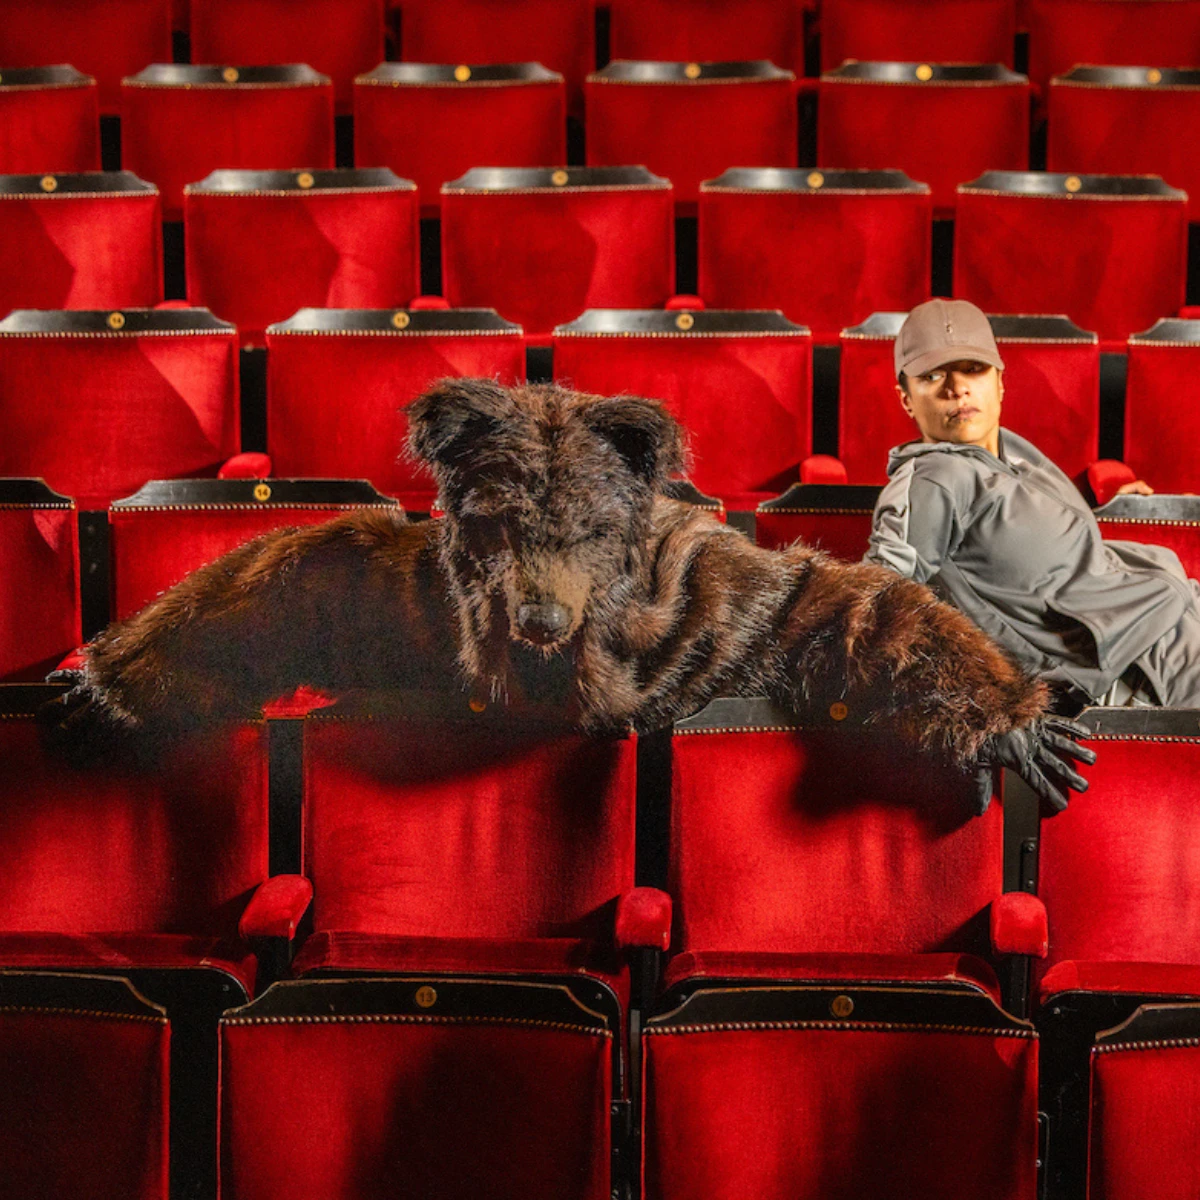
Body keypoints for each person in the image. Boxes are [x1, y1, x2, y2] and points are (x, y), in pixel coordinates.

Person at [865, 298, 1200, 710]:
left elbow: (1020, 546)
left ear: (1000, 381)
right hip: (1138, 667)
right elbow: (870, 608)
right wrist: (980, 710)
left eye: (973, 368)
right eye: (932, 376)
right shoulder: (935, 479)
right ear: (906, 399)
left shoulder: (1010, 449)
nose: (957, 388)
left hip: (1164, 615)